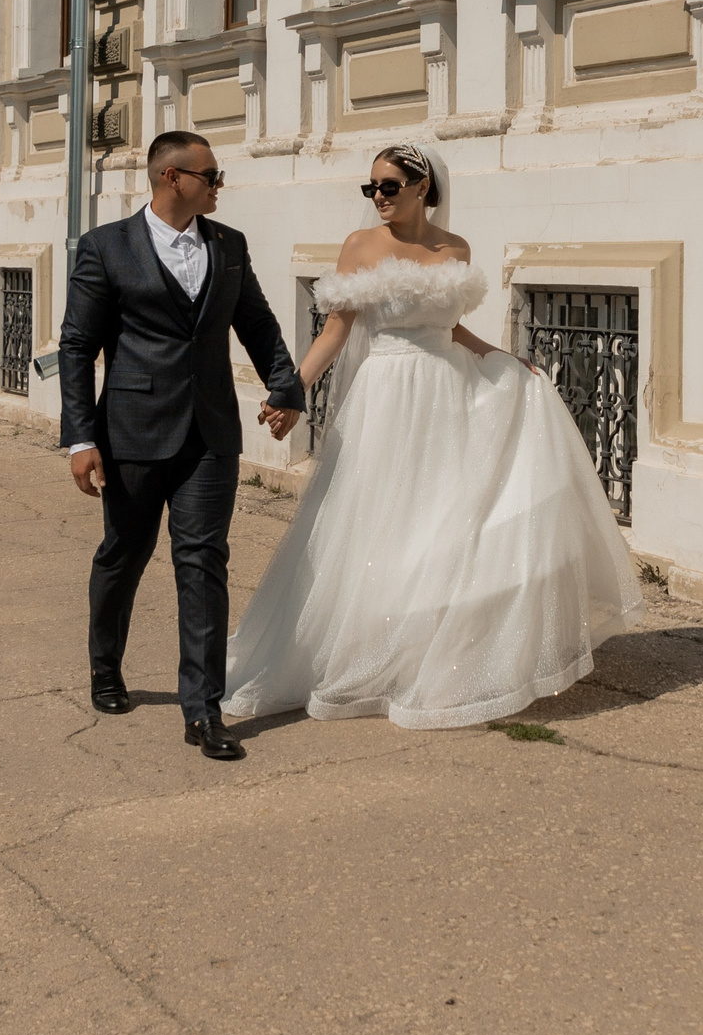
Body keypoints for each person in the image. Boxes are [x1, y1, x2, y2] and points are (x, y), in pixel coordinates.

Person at [222, 142, 643, 731]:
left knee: (442, 521)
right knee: (379, 521)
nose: (378, 197)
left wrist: (503, 357)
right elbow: (337, 330)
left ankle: (434, 654)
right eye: (370, 187)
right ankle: (364, 650)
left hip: (450, 392)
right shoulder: (360, 245)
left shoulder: (456, 248)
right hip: (387, 396)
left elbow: (451, 327)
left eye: (389, 186)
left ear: (422, 187)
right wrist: (291, 389)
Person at [58, 130, 304, 761]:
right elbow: (78, 347)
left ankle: (203, 711)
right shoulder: (106, 247)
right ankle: (106, 668)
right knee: (124, 554)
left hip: (210, 435)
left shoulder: (228, 244)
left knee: (203, 563)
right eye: (211, 175)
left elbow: (257, 324)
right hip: (131, 432)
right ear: (172, 177)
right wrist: (80, 437)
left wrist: (285, 386)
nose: (219, 185)